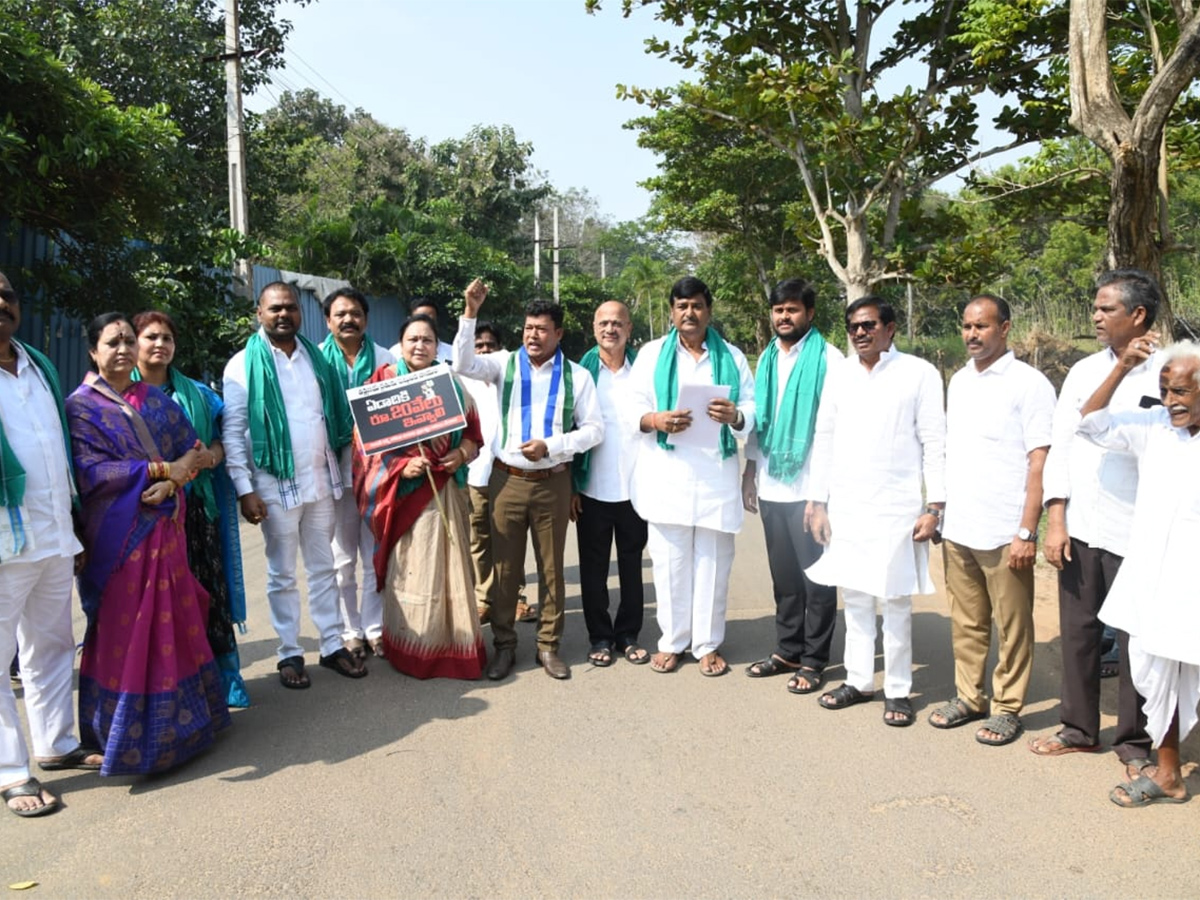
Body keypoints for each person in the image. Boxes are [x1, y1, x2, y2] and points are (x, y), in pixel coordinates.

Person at [67, 313, 230, 775]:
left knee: (173, 623)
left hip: (166, 530)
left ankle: (188, 729)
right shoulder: (80, 407)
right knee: (127, 629)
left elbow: (196, 451)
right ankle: (124, 739)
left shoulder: (154, 400)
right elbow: (91, 473)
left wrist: (177, 480)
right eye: (111, 342)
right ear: (94, 352)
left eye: (126, 341)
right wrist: (162, 471)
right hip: (119, 539)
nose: (121, 349)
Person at [1031, 269, 1161, 773]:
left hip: (1140, 531)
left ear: (1139, 315)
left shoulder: (1171, 371)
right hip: (1083, 524)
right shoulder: (1085, 371)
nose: (1096, 315)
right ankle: (1079, 729)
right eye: (1095, 306)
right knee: (1079, 632)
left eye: (1107, 308)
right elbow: (1065, 443)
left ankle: (1134, 742)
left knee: (1136, 643)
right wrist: (1056, 518)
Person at [452, 280, 604, 680]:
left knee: (552, 568)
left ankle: (548, 646)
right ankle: (504, 646)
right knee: (504, 568)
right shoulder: (502, 365)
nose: (532, 335)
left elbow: (594, 430)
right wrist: (470, 313)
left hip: (552, 481)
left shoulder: (577, 377)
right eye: (527, 328)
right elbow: (463, 364)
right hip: (508, 480)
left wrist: (552, 446)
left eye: (541, 329)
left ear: (558, 333)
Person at [806, 297, 945, 726]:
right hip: (848, 506)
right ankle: (859, 680)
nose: (860, 333)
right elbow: (823, 437)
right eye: (853, 327)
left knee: (896, 600)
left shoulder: (918, 373)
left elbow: (935, 441)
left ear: (890, 328)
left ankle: (898, 689)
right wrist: (817, 501)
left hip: (897, 508)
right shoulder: (840, 374)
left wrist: (935, 505)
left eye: (868, 325)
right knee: (858, 598)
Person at [223, 281, 366, 688]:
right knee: (282, 572)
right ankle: (289, 652)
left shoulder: (315, 360)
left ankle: (332, 644)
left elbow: (331, 418)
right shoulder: (241, 365)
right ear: (259, 314)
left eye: (290, 308)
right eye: (275, 309)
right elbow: (234, 431)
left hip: (320, 480)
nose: (283, 314)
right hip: (273, 485)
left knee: (325, 567)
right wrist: (244, 488)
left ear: (300, 313)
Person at [929, 295, 1055, 745]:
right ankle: (969, 697)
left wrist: (1027, 531)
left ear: (1005, 328)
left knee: (1013, 624)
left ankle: (1007, 707)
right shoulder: (959, 381)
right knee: (966, 622)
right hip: (961, 526)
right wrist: (939, 510)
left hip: (1005, 530)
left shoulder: (1030, 383)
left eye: (981, 326)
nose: (971, 335)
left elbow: (1039, 460)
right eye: (966, 326)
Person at [1079, 340, 1200, 806]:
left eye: (1182, 392)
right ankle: (1169, 773)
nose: (1171, 401)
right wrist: (1123, 368)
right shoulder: (1153, 427)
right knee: (1158, 675)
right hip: (1154, 580)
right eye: (1165, 390)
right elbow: (1089, 423)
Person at [0, 273, 103, 817]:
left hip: (50, 533)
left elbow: (56, 454)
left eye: (7, 294)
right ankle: (12, 773)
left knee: (52, 646)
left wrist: (72, 524)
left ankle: (57, 744)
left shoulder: (36, 364)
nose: (1, 303)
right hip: (2, 543)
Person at [627, 276, 755, 677]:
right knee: (669, 563)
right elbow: (629, 408)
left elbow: (751, 406)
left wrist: (734, 415)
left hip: (714, 475)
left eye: (697, 305)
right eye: (681, 306)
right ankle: (672, 642)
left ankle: (707, 644)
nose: (689, 313)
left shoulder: (731, 356)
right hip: (667, 475)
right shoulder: (650, 355)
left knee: (713, 563)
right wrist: (655, 419)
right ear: (672, 311)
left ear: (708, 311)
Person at [353, 315, 486, 678]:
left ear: (436, 346)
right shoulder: (382, 384)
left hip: (447, 489)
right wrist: (399, 468)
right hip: (407, 496)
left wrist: (460, 454)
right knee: (413, 572)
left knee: (452, 569)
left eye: (427, 340)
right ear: (401, 344)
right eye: (412, 339)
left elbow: (474, 436)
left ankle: (455, 647)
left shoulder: (452, 386)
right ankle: (413, 649)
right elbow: (364, 445)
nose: (419, 346)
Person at [132, 311, 251, 709]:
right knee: (157, 604)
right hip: (143, 515)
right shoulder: (116, 397)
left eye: (167, 337)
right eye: (151, 337)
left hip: (197, 513)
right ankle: (171, 689)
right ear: (134, 343)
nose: (160, 344)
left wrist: (202, 463)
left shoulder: (198, 394)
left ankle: (224, 679)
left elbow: (217, 444)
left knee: (207, 594)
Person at [741, 278, 842, 693]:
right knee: (784, 577)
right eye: (779, 310)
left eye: (793, 309)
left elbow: (831, 431)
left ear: (810, 313)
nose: (784, 316)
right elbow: (759, 419)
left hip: (810, 488)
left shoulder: (830, 360)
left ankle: (815, 660)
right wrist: (749, 471)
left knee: (816, 578)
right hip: (771, 484)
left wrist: (820, 498)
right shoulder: (765, 360)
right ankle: (787, 649)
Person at [319, 287, 396, 660]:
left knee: (374, 555)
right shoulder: (315, 361)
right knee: (341, 560)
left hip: (377, 471)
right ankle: (349, 630)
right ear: (328, 320)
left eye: (355, 314)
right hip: (332, 469)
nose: (348, 320)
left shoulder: (386, 361)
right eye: (340, 314)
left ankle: (375, 628)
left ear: (366, 319)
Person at [572, 300, 649, 667]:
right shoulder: (580, 374)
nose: (610, 329)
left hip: (637, 487)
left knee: (632, 565)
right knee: (593, 568)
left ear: (629, 328)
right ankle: (600, 637)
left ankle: (628, 634)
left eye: (618, 323)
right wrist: (572, 486)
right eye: (603, 323)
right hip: (593, 488)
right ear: (594, 327)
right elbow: (568, 431)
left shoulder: (645, 372)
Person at [462, 322, 502, 624]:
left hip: (506, 472)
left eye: (490, 345)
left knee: (508, 539)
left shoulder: (509, 377)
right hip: (475, 473)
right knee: (479, 539)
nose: (485, 350)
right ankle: (484, 598)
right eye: (479, 346)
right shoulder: (461, 382)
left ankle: (516, 598)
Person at [390, 297, 453, 363]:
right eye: (419, 319)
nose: (425, 324)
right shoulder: (394, 354)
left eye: (430, 320)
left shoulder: (452, 353)